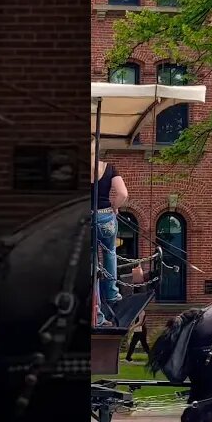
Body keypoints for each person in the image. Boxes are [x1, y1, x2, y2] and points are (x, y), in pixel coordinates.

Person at [92, 138, 128, 326]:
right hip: (106, 216)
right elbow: (123, 194)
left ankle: (96, 312)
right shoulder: (108, 168)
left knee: (91, 264)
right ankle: (113, 294)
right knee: (109, 254)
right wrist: (114, 207)